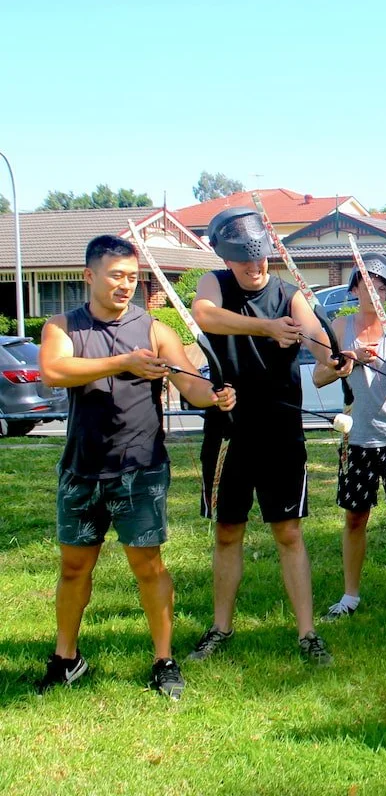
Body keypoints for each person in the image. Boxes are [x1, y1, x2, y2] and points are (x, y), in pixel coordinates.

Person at [36, 234, 236, 698]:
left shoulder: (155, 331)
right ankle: (66, 659)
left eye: (132, 277)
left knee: (148, 566)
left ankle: (163, 660)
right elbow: (54, 371)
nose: (126, 285)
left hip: (140, 468)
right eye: (116, 276)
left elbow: (191, 386)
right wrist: (123, 362)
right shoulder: (62, 327)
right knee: (73, 567)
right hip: (81, 468)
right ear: (89, 276)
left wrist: (215, 396)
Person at [187, 207, 340, 665]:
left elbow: (312, 334)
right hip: (228, 430)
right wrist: (266, 327)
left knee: (288, 532)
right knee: (227, 531)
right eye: (245, 260)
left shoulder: (289, 295)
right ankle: (220, 627)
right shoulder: (215, 284)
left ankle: (307, 633)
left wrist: (332, 358)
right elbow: (205, 316)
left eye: (261, 258)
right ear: (227, 258)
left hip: (280, 432)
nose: (255, 267)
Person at [314, 252, 386, 621]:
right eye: (366, 285)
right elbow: (320, 376)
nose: (373, 293)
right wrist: (347, 360)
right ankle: (350, 595)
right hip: (356, 438)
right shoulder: (340, 326)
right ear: (353, 289)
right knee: (354, 518)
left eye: (381, 287)